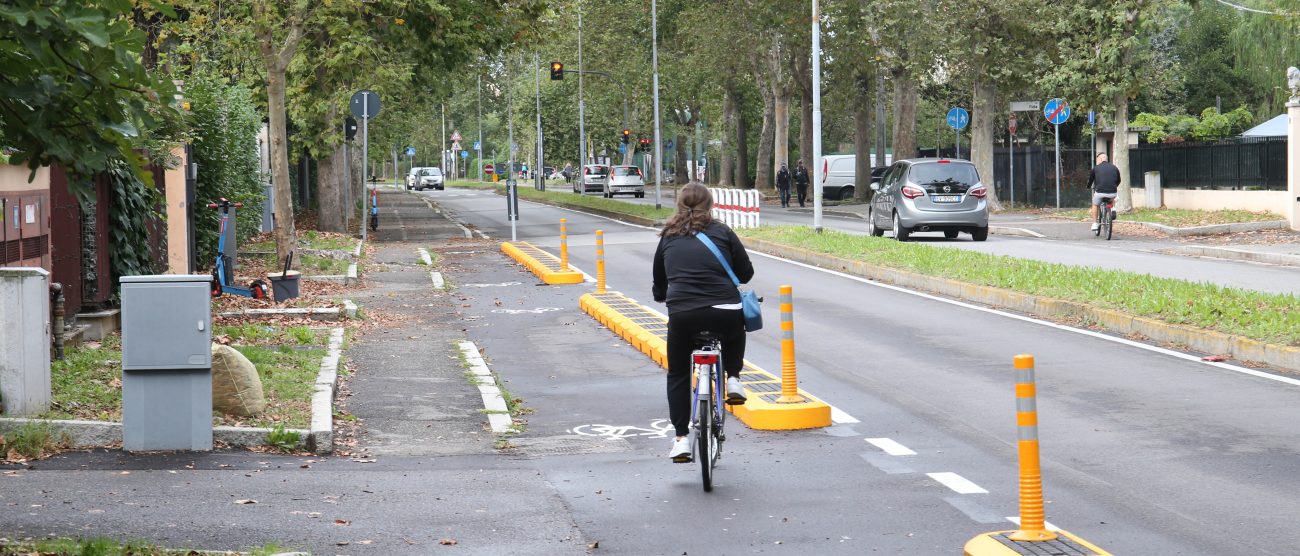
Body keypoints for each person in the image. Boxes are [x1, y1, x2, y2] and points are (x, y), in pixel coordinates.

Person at [652, 182, 755, 463]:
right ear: (711, 205)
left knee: (678, 374)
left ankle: (681, 439)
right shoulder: (723, 232)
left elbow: (659, 281)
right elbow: (746, 274)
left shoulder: (668, 236)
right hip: (724, 308)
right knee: (736, 328)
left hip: (683, 314)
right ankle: (733, 378)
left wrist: (663, 296)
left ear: (678, 205)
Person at [1087, 152, 1120, 231]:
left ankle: (1095, 223)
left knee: (1095, 204)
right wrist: (1114, 187)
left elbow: (1090, 180)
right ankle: (1113, 209)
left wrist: (1088, 187)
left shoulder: (1096, 168)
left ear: (1101, 159)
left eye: (1097, 159)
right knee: (1112, 197)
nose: (1097, 161)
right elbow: (1119, 180)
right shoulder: (1115, 168)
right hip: (1113, 192)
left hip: (1100, 192)